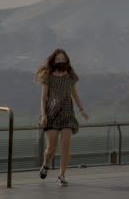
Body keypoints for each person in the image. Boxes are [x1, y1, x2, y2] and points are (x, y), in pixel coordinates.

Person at [35, 49, 88, 187]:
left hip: (67, 114)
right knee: (51, 148)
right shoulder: (48, 76)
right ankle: (45, 165)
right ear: (53, 61)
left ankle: (61, 175)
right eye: (57, 59)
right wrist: (43, 115)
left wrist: (81, 109)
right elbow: (43, 98)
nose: (60, 61)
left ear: (66, 60)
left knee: (66, 145)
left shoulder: (70, 76)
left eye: (62, 59)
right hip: (51, 114)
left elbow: (74, 94)